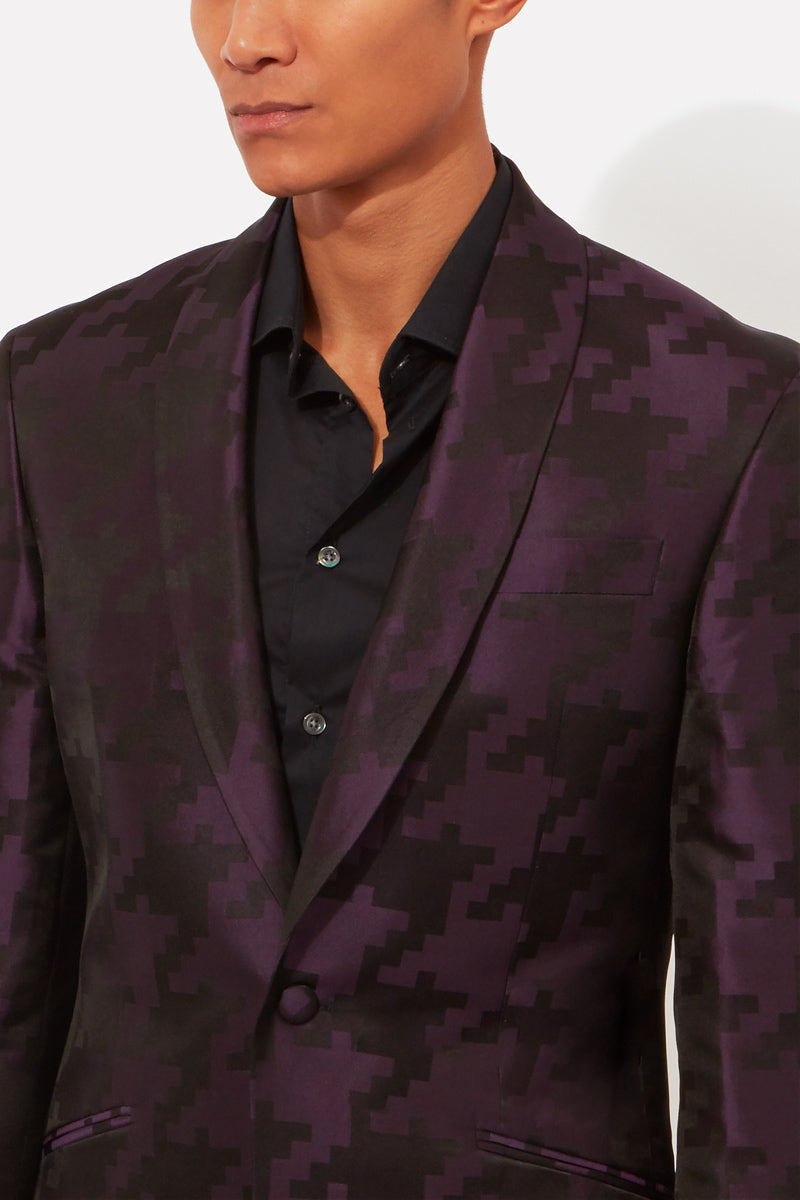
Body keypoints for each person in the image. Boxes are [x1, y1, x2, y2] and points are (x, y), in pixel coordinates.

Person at [1, 0, 797, 1196]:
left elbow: (761, 989)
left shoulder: (720, 417)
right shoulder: (62, 396)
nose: (244, 38)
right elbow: (16, 908)